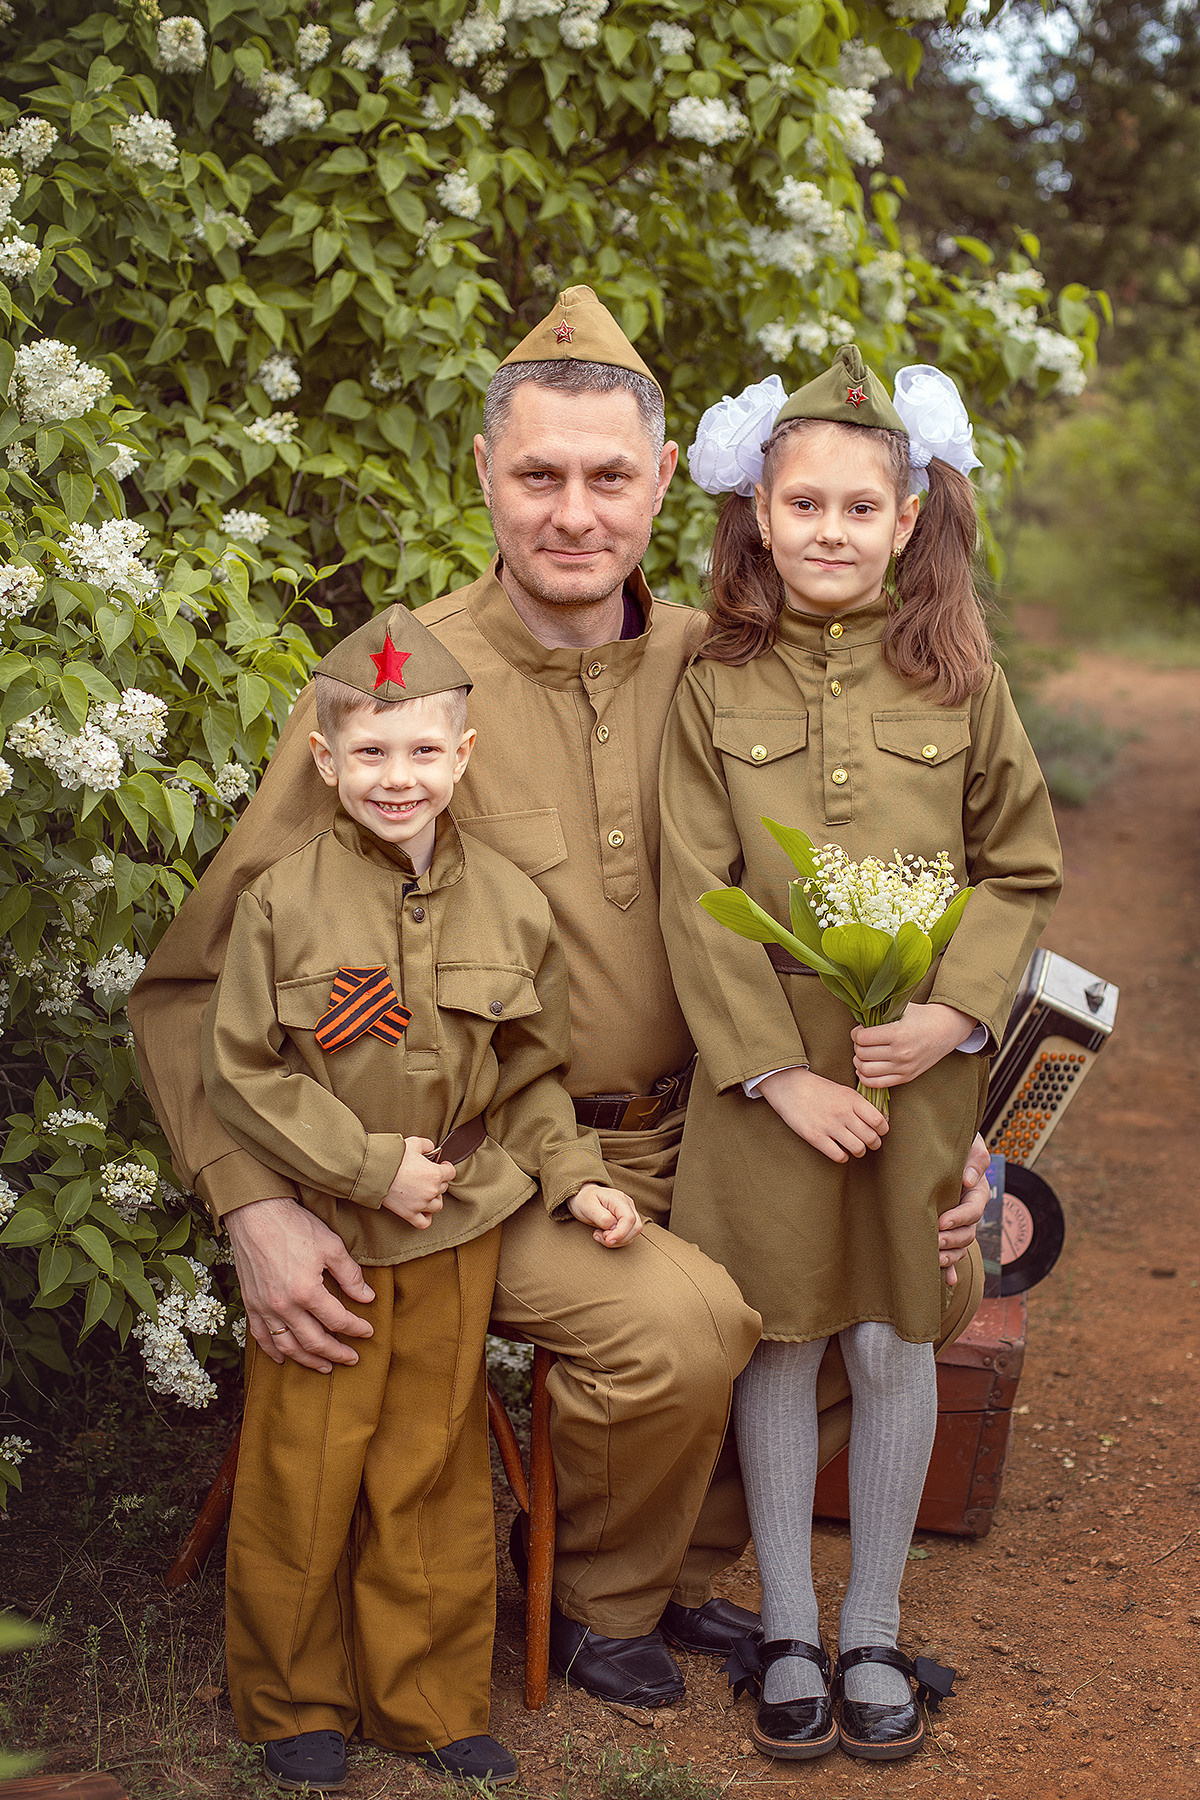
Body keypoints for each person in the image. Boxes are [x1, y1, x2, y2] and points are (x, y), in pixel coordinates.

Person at [128, 290, 988, 1715]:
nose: (572, 513)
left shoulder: (733, 665)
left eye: (607, 476)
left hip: (725, 1125)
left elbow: (914, 895)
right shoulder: (400, 681)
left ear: (664, 481)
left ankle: (682, 1572)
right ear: (484, 475)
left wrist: (976, 1152)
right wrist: (257, 1207)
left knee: (914, 1278)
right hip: (499, 1166)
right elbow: (194, 981)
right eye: (538, 475)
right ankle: (592, 1602)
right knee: (681, 1327)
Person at [658, 348, 1062, 1763]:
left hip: (917, 1067)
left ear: (909, 521)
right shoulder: (713, 682)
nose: (828, 530)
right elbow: (688, 887)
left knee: (896, 1332)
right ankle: (783, 1625)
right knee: (780, 1336)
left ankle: (874, 1622)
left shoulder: (959, 675)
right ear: (757, 515)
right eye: (803, 504)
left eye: (858, 508)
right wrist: (779, 1070)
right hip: (767, 1075)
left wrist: (955, 1013)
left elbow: (1018, 862)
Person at [198, 608, 642, 1789]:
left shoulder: (512, 905)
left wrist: (579, 1179)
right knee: (309, 1459)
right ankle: (293, 1700)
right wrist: (357, 1166)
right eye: (372, 754)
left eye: (422, 752)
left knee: (433, 1461)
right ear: (326, 760)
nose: (399, 778)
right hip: (333, 1227)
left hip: (462, 1215)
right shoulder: (280, 901)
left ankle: (430, 1701)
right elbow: (239, 1066)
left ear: (463, 755)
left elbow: (536, 1074)